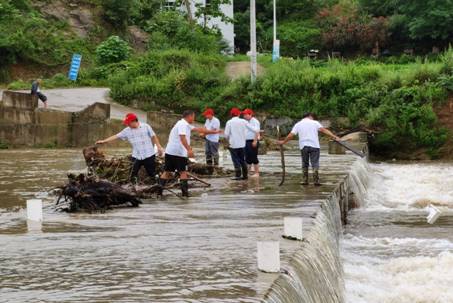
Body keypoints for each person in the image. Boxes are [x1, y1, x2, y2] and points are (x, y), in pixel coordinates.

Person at [158, 110, 222, 197]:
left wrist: (215, 132)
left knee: (167, 171)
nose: (194, 118)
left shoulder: (183, 123)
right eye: (193, 116)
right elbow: (182, 138)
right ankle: (185, 194)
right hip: (178, 152)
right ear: (190, 116)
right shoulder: (182, 125)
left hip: (170, 151)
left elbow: (198, 129)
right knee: (183, 172)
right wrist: (189, 150)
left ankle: (159, 192)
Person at [96, 113, 164, 183]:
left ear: (134, 121)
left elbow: (153, 136)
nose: (127, 125)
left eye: (129, 123)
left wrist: (159, 147)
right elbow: (116, 136)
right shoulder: (127, 131)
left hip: (149, 155)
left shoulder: (146, 126)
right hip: (136, 156)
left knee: (151, 174)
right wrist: (104, 141)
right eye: (127, 123)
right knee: (132, 175)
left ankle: (158, 185)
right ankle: (133, 188)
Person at [278, 112, 340, 186]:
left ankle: (305, 180)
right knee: (315, 163)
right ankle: (316, 180)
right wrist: (334, 136)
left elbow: (291, 135)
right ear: (310, 116)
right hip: (314, 145)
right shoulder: (315, 123)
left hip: (304, 146)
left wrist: (283, 142)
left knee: (305, 163)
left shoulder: (298, 124)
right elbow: (324, 130)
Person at [224, 107, 248, 180]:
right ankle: (245, 175)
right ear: (238, 114)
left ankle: (238, 175)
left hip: (233, 144)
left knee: (235, 159)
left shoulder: (229, 122)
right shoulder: (244, 121)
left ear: (231, 114)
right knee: (242, 159)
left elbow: (226, 134)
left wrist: (227, 141)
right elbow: (247, 131)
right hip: (242, 144)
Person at [242, 108, 261, 177]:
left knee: (253, 157)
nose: (244, 116)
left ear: (250, 114)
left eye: (246, 114)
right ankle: (247, 173)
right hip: (246, 141)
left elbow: (257, 131)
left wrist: (255, 141)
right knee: (247, 158)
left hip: (253, 141)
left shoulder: (255, 121)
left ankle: (257, 173)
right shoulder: (245, 121)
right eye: (244, 114)